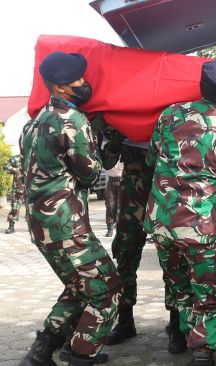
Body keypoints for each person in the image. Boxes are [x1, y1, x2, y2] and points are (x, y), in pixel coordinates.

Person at [18, 51, 121, 366]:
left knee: (80, 287)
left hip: (41, 224)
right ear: (61, 86)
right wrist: (111, 141)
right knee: (106, 289)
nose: (84, 83)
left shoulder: (33, 123)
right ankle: (80, 355)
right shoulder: (72, 120)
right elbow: (91, 174)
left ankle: (40, 351)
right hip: (66, 224)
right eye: (77, 79)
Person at [144, 57, 216, 366]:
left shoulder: (169, 115)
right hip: (201, 228)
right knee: (213, 292)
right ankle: (201, 354)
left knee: (181, 288)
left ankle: (189, 337)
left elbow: (152, 158)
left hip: (162, 225)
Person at [96, 129, 171, 349]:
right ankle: (125, 320)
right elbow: (108, 163)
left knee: (173, 259)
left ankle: (176, 323)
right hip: (132, 199)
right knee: (126, 256)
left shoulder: (173, 116)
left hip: (166, 196)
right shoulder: (121, 121)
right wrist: (115, 139)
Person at [103, 152, 122, 237]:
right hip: (111, 181)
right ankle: (109, 229)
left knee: (119, 206)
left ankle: (119, 228)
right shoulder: (110, 152)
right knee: (109, 205)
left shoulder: (125, 152)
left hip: (122, 181)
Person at [4, 154, 23, 234]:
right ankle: (11, 226)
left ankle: (36, 228)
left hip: (34, 188)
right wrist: (14, 169)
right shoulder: (15, 158)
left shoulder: (36, 156)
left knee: (37, 208)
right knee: (14, 207)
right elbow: (5, 168)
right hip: (18, 188)